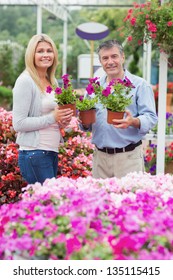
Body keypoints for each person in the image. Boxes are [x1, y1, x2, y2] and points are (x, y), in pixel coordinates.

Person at [80, 39, 158, 179]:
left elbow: (151, 117)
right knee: (100, 200)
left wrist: (134, 121)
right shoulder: (94, 87)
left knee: (129, 199)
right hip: (100, 159)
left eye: (114, 56)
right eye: (105, 58)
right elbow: (86, 124)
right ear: (101, 62)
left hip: (128, 158)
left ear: (122, 57)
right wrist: (84, 122)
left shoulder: (140, 85)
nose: (110, 61)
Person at [12, 34, 73, 184]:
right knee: (48, 203)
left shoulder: (52, 82)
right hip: (34, 152)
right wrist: (53, 117)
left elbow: (52, 118)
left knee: (47, 203)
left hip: (50, 151)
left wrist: (62, 121)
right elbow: (18, 123)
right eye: (40, 51)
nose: (46, 55)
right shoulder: (25, 81)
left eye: (49, 51)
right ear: (31, 55)